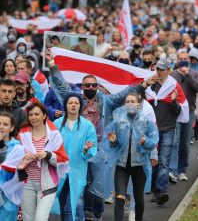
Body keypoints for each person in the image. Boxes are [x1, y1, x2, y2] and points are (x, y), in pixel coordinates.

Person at [45, 48, 157, 220]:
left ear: (98, 87)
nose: (90, 88)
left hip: (100, 150)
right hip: (78, 149)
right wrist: (52, 64)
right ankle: (83, 214)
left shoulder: (107, 101)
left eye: (93, 85)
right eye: (87, 85)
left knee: (97, 185)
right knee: (79, 184)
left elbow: (125, 94)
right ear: (82, 87)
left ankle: (97, 215)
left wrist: (145, 84)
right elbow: (60, 84)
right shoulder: (75, 100)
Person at [105, 92, 158, 221]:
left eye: (132, 101)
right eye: (127, 101)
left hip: (139, 164)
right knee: (119, 197)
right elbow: (111, 144)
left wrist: (146, 142)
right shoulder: (118, 122)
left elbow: (154, 141)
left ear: (139, 105)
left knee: (138, 198)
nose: (130, 104)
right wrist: (112, 141)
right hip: (121, 164)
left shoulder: (146, 122)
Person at [146, 59, 189, 205]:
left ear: (168, 70)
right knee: (154, 161)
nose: (158, 71)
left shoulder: (174, 86)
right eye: (157, 68)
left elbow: (179, 111)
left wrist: (174, 101)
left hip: (168, 129)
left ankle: (160, 192)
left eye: (162, 69)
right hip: (152, 129)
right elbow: (144, 104)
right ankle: (154, 189)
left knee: (164, 161)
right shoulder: (151, 84)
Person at [17, 102, 68, 221]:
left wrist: (48, 155)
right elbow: (15, 157)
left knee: (40, 218)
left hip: (47, 184)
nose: (33, 117)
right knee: (28, 218)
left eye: (36, 114)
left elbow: (63, 159)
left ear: (44, 115)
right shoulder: (23, 133)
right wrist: (23, 158)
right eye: (30, 115)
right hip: (26, 183)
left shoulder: (54, 134)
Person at [54, 92, 97, 221]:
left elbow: (92, 148)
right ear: (65, 105)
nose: (73, 105)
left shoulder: (87, 125)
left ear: (80, 106)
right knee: (63, 204)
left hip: (78, 170)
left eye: (76, 103)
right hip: (60, 170)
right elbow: (50, 146)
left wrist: (86, 149)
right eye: (70, 103)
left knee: (74, 206)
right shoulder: (56, 124)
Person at [169, 52, 198, 181]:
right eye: (180, 59)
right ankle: (173, 171)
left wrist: (187, 74)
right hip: (175, 111)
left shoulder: (195, 74)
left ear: (189, 61)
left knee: (185, 143)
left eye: (185, 59)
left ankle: (182, 170)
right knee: (175, 142)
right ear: (177, 61)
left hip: (189, 112)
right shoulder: (172, 75)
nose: (183, 62)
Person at [0, 112, 25, 221]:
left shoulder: (18, 148)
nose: (1, 127)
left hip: (8, 197)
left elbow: (21, 176)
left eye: (5, 124)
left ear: (11, 128)